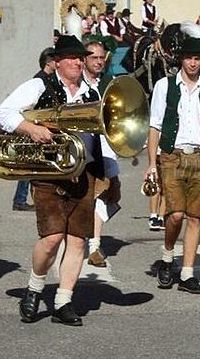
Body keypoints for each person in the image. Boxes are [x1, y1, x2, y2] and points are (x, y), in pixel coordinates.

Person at [0, 35, 103, 326]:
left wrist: (112, 176)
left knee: (78, 241)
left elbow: (101, 137)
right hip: (49, 172)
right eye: (72, 58)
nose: (79, 62)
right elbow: (3, 113)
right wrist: (30, 128)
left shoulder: (91, 91)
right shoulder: (38, 86)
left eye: (82, 58)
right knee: (52, 238)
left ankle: (63, 301)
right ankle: (33, 288)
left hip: (84, 171)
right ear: (57, 61)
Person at [146, 36, 200, 295]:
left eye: (197, 58)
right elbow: (155, 125)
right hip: (171, 155)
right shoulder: (165, 86)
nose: (193, 63)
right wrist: (151, 164)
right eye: (189, 58)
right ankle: (168, 256)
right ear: (181, 59)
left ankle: (188, 273)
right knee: (175, 214)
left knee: (195, 217)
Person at [83, 40, 121, 267]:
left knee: (105, 194)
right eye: (94, 57)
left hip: (105, 148)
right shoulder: (77, 82)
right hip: (83, 148)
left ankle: (93, 246)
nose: (98, 61)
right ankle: (89, 244)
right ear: (84, 59)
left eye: (101, 58)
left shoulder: (109, 83)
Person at [12, 48, 57, 212]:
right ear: (48, 62)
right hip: (36, 127)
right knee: (30, 166)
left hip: (41, 127)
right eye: (55, 60)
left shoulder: (49, 79)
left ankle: (26, 198)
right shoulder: (40, 80)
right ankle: (20, 200)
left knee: (35, 165)